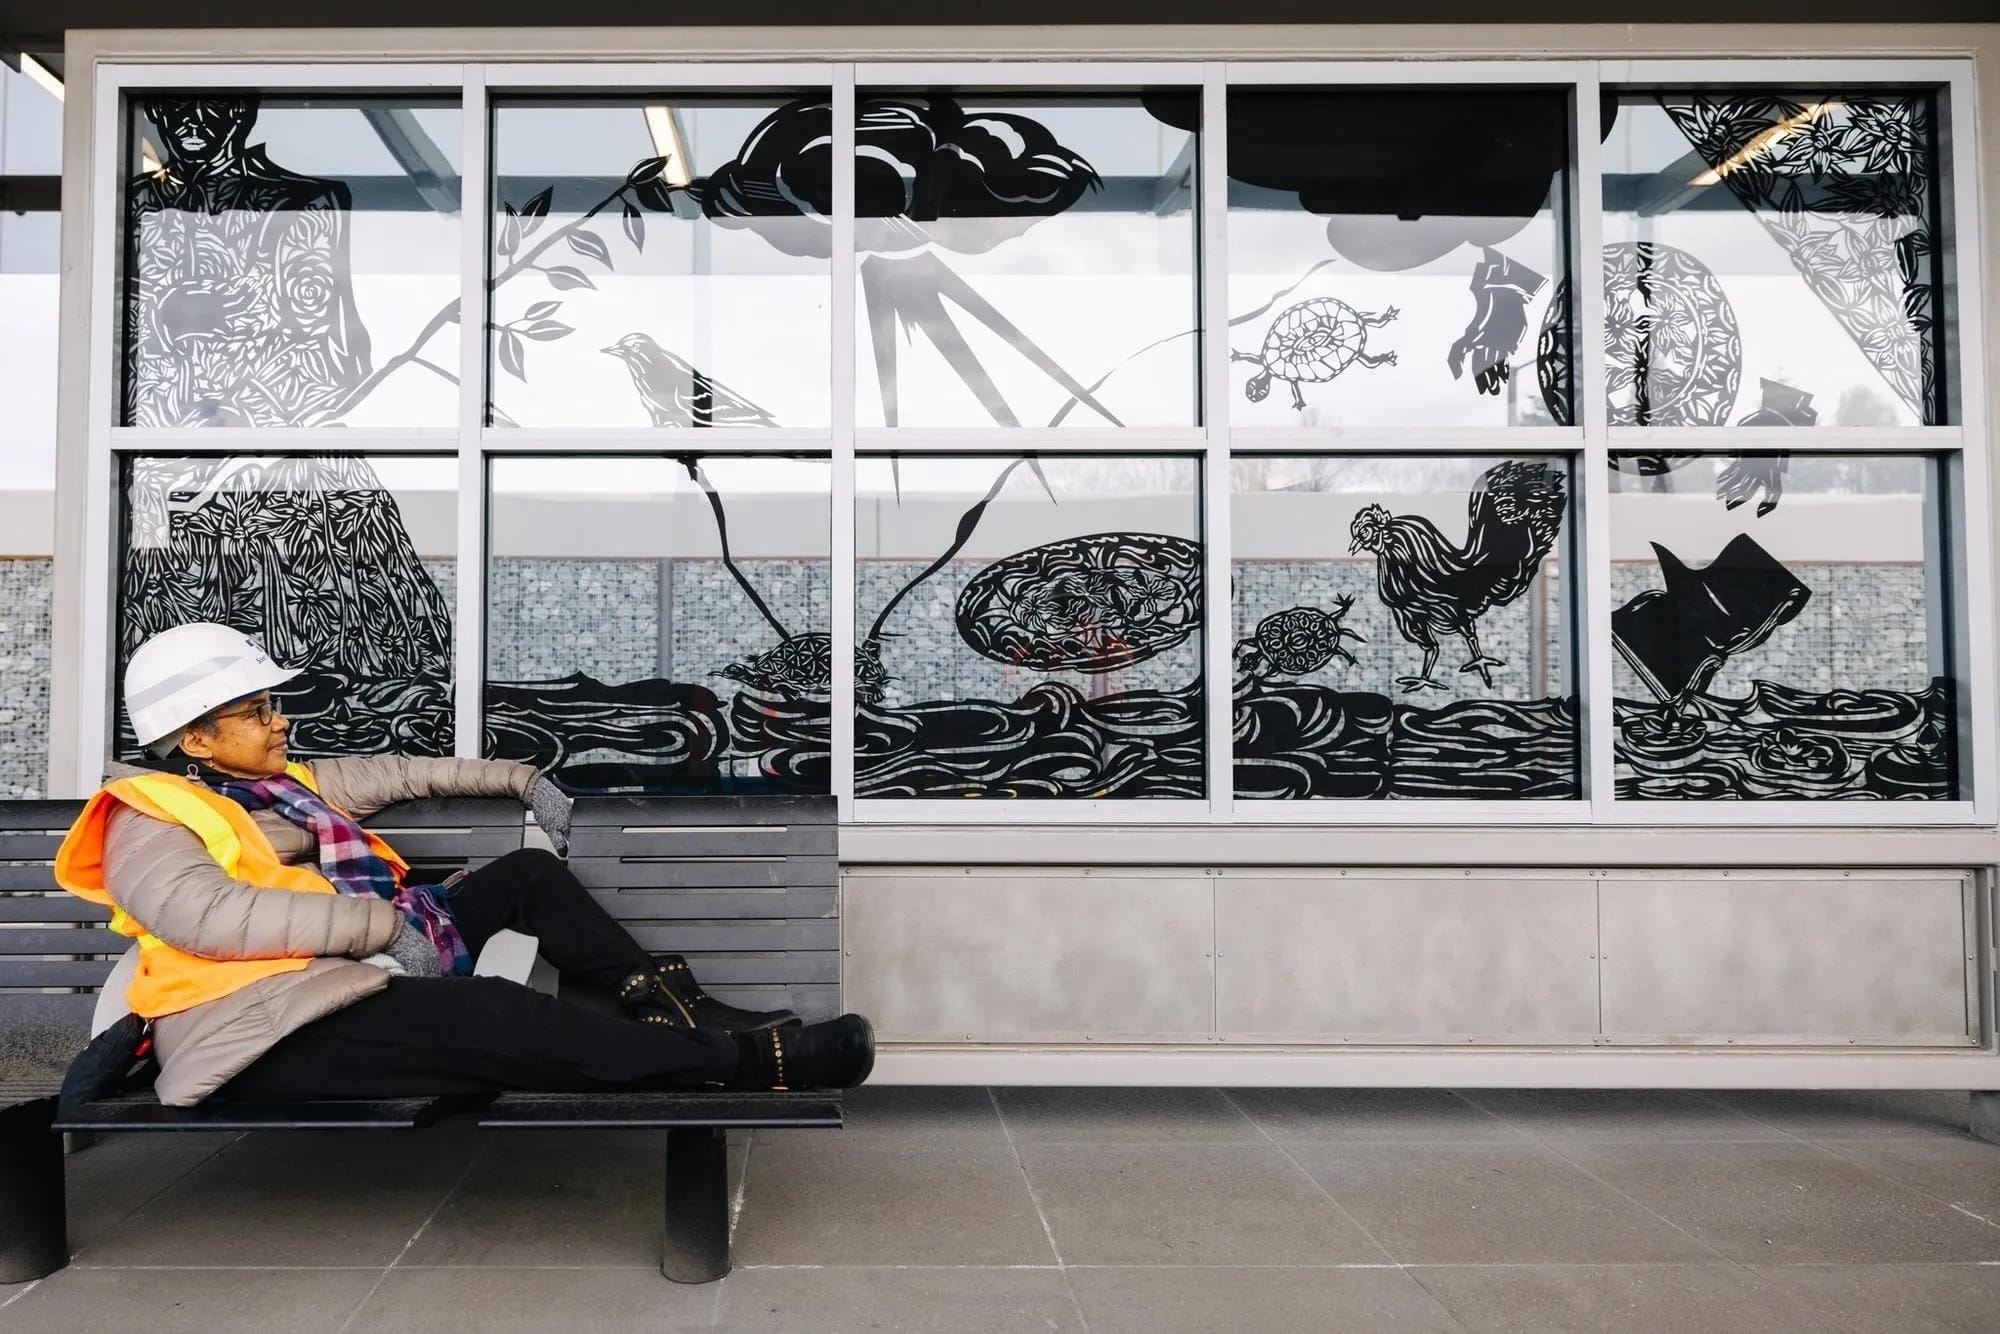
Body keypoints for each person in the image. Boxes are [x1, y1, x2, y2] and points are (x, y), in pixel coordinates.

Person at [56, 622, 873, 1107]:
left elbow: (410, 772)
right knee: (497, 1018)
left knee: (527, 877)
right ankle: (748, 1065)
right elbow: (209, 918)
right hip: (261, 1030)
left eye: (275, 705)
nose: (280, 722)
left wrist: (523, 780)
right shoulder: (147, 819)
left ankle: (681, 1011)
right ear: (195, 738)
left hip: (344, 970)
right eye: (258, 711)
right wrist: (380, 926)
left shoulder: (289, 789)